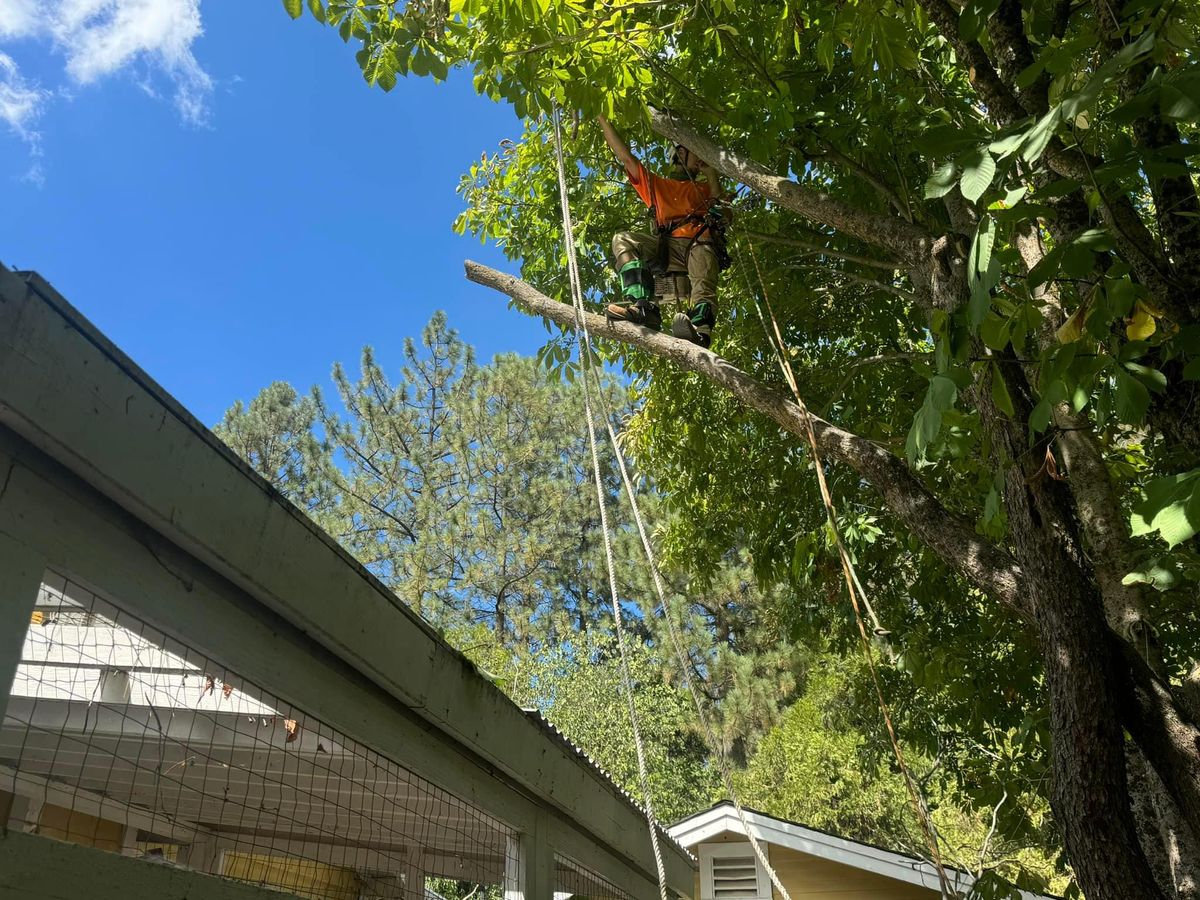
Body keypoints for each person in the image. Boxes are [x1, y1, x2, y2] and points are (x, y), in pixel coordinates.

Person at [598, 115, 728, 348]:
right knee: (622, 239)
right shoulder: (656, 186)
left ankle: (700, 329)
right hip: (665, 249)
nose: (694, 157)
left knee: (702, 259)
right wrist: (601, 117)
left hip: (698, 242)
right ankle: (643, 307)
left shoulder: (705, 187)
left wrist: (711, 175)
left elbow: (725, 213)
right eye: (687, 152)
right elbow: (626, 158)